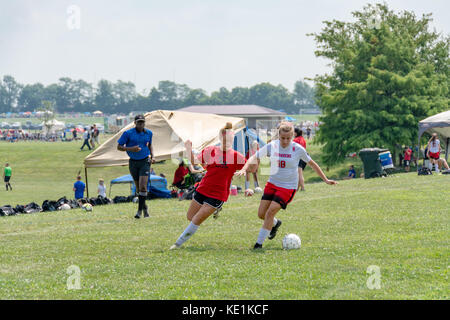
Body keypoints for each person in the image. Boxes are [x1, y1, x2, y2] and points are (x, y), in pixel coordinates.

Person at [235, 121, 337, 250]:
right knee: (261, 214)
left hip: (288, 187)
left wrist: (326, 179)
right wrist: (244, 169)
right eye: (283, 138)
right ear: (279, 136)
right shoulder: (272, 145)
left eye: (288, 138)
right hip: (272, 183)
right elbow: (253, 157)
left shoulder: (297, 149)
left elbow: (313, 164)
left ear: (292, 136)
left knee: (270, 212)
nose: (285, 141)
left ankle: (258, 244)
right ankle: (276, 224)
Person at [169, 122, 246, 250]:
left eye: (230, 139)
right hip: (203, 188)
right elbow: (194, 162)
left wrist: (248, 167)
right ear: (221, 138)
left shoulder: (236, 156)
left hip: (218, 194)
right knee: (190, 217)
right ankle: (215, 209)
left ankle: (177, 244)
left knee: (197, 219)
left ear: (233, 139)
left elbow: (252, 166)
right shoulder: (211, 150)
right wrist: (188, 148)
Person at [117, 114, 154, 219]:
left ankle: (139, 212)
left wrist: (153, 156)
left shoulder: (149, 133)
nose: (141, 124)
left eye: (142, 122)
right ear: (135, 123)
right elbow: (119, 147)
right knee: (138, 189)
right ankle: (145, 209)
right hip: (133, 162)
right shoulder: (128, 133)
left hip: (145, 161)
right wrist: (131, 149)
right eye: (139, 122)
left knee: (143, 186)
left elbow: (150, 145)